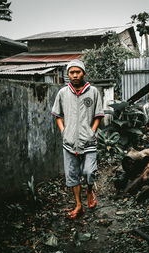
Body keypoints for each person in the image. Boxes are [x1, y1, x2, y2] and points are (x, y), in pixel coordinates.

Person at [51, 59, 104, 219]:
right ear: (68, 74)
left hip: (88, 142)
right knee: (72, 175)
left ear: (83, 73)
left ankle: (89, 190)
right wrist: (63, 131)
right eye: (71, 72)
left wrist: (91, 131)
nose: (75, 75)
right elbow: (57, 115)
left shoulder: (93, 91)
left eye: (78, 72)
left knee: (89, 171)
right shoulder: (63, 93)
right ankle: (78, 205)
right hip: (69, 143)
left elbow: (98, 115)